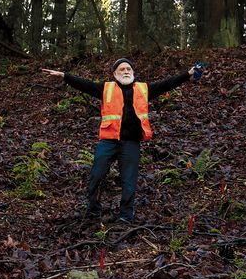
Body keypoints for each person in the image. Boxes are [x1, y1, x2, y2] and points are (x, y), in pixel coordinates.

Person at [42, 58, 202, 224]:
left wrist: (187, 74)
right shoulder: (106, 88)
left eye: (128, 69)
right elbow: (85, 84)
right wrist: (64, 76)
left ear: (132, 72)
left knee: (129, 180)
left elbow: (167, 84)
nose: (126, 71)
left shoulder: (143, 89)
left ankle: (126, 215)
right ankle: (93, 209)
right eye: (122, 69)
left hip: (131, 142)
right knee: (97, 175)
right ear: (115, 74)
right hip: (108, 141)